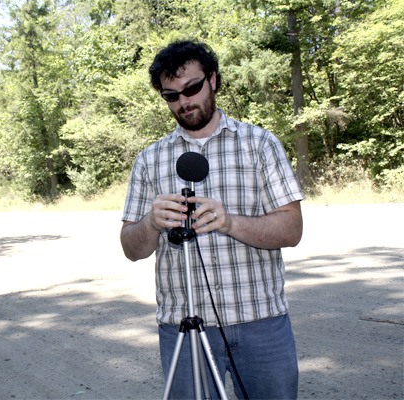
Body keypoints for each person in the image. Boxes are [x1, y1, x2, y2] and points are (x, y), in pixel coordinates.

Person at [120, 40, 304, 399]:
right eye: (171, 96)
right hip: (182, 328)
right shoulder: (148, 160)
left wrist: (230, 222)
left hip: (261, 321)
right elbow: (131, 248)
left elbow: (292, 229)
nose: (184, 101)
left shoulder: (260, 144)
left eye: (192, 88)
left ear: (214, 80)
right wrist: (151, 223)